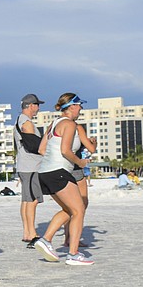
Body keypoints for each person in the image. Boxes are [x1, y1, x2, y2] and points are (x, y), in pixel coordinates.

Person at [33, 93, 94, 266]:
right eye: (79, 105)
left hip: (45, 172)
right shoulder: (69, 124)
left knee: (70, 210)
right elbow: (66, 151)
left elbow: (41, 149)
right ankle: (73, 254)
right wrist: (80, 162)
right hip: (58, 171)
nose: (81, 108)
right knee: (79, 209)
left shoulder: (54, 124)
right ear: (72, 106)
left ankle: (45, 240)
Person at [13, 94, 45, 248]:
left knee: (26, 200)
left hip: (24, 165)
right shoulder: (27, 123)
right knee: (32, 200)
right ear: (31, 105)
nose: (38, 108)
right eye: (37, 105)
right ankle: (32, 234)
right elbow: (34, 145)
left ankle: (27, 232)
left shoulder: (19, 120)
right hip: (31, 166)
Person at [62, 123, 97, 248]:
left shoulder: (61, 130)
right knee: (81, 204)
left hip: (62, 168)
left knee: (69, 206)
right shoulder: (78, 131)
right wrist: (94, 142)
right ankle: (71, 239)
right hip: (76, 169)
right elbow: (92, 149)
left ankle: (68, 238)